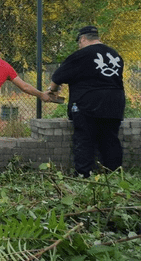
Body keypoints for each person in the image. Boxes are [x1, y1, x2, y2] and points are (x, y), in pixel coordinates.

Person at [44, 25, 125, 178]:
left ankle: (84, 174)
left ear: (82, 39)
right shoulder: (115, 55)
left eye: (79, 42)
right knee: (110, 139)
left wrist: (52, 90)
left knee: (84, 138)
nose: (79, 45)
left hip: (88, 102)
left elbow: (57, 77)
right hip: (115, 102)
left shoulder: (81, 55)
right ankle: (114, 174)